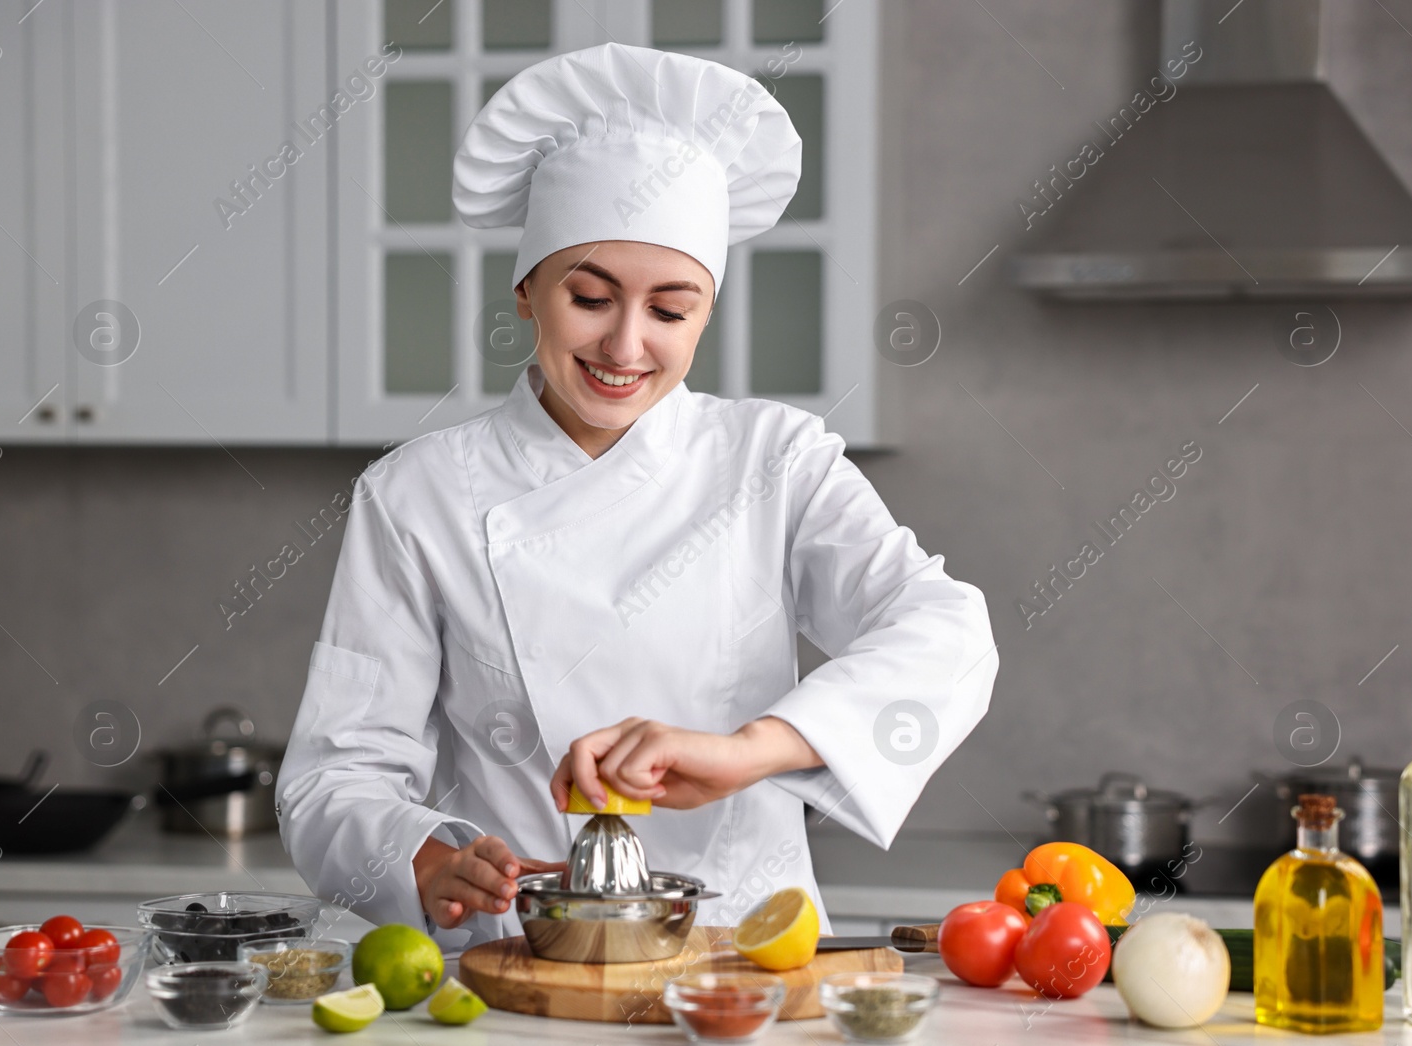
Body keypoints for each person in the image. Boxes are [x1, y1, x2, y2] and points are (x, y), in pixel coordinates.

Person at [276, 43, 998, 951]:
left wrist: (748, 751)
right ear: (528, 291)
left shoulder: (772, 460)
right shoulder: (417, 494)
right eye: (590, 296)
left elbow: (948, 632)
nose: (625, 345)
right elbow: (333, 777)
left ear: (706, 313)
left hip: (740, 963)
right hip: (516, 964)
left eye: (670, 309)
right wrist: (419, 855)